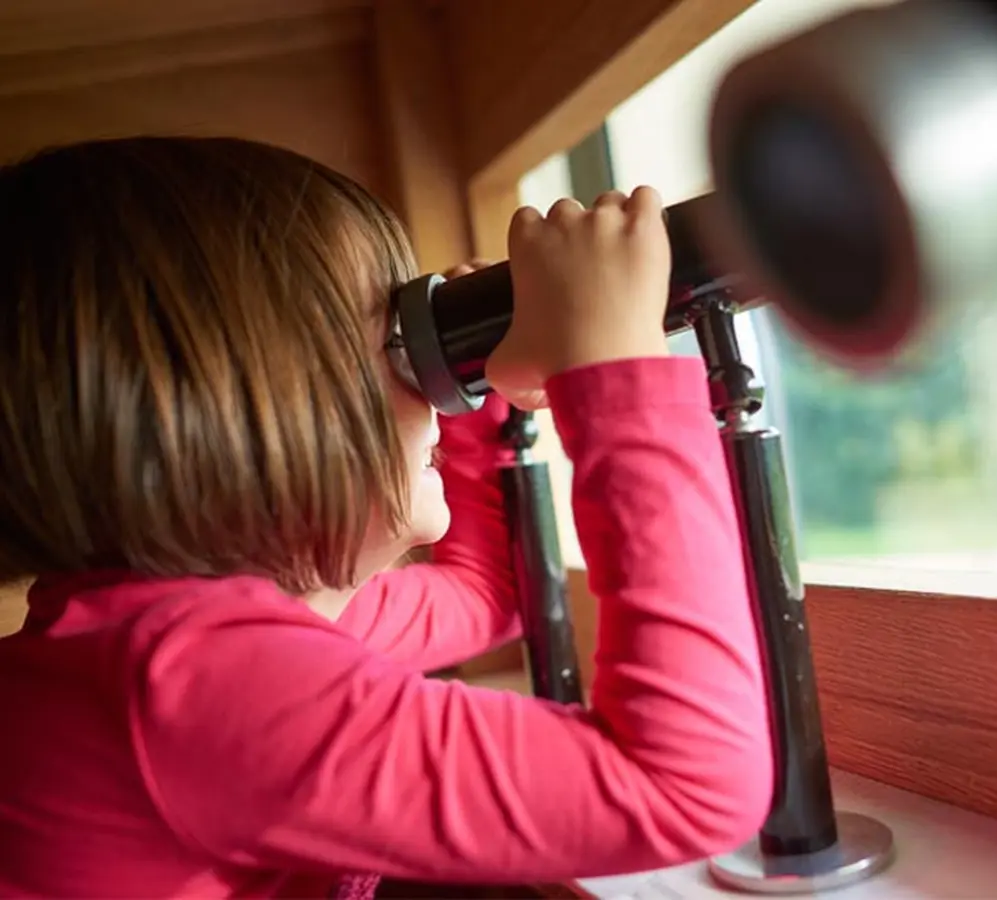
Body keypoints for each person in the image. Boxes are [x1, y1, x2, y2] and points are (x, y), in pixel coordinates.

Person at [0, 136, 772, 898]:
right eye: (392, 344)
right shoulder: (187, 678)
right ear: (236, 402)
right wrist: (611, 368)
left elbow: (485, 597)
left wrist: (482, 390)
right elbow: (687, 787)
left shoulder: (169, 633)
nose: (432, 385)